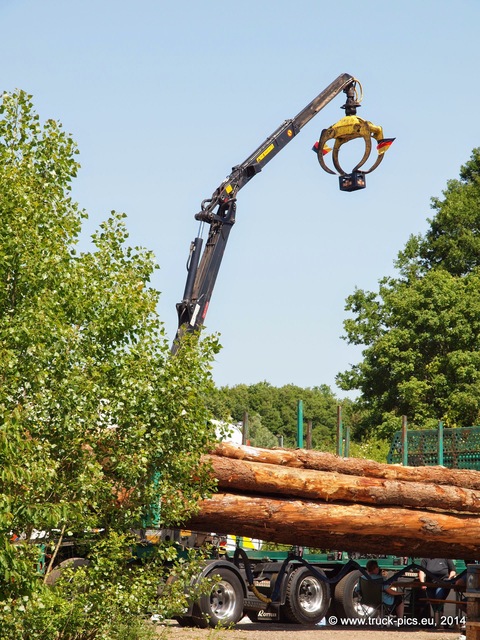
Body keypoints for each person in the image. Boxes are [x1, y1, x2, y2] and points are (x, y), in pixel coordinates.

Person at [418, 558, 456, 624]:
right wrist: (422, 582)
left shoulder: (446, 558)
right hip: (430, 584)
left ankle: (438, 621)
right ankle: (437, 621)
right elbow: (421, 571)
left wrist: (449, 579)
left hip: (443, 583)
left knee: (439, 598)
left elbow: (453, 571)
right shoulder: (425, 559)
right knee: (433, 602)